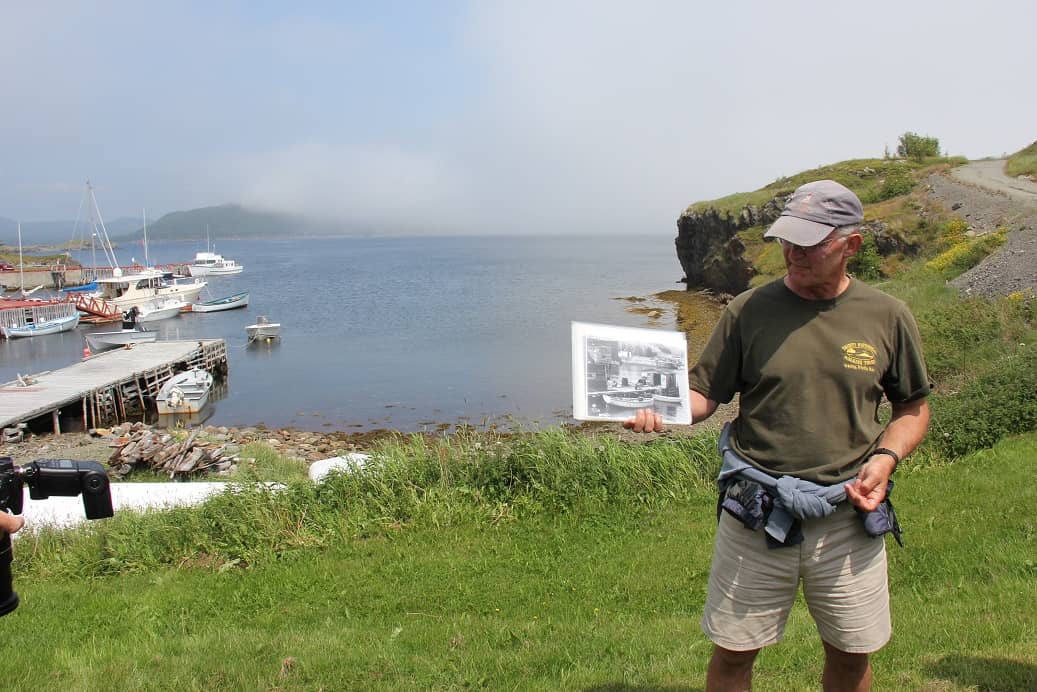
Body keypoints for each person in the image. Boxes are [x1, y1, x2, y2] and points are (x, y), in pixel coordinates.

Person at [625, 179, 931, 691]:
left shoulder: (888, 316)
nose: (792, 252)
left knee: (852, 656)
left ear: (851, 244)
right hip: (756, 510)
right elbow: (705, 394)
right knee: (733, 655)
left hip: (847, 515)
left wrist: (885, 459)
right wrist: (661, 411)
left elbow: (913, 409)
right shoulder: (747, 310)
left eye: (810, 243)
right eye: (787, 239)